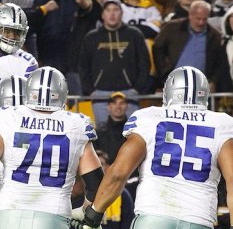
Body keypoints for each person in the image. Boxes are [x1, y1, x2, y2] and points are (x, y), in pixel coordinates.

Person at [79, 66, 233, 229]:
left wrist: (94, 214)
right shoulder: (222, 124)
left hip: (153, 218)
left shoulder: (149, 117)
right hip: (197, 220)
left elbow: (118, 173)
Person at [0, 66, 104, 229]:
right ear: (62, 94)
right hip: (53, 217)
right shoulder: (76, 124)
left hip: (9, 216)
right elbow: (96, 184)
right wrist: (83, 210)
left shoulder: (9, 117)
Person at [79, 0, 151, 129]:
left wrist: (137, 89)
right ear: (103, 14)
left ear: (122, 13)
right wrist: (90, 90)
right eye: (108, 10)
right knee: (102, 133)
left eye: (116, 10)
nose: (112, 14)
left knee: (131, 133)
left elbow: (144, 63)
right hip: (100, 94)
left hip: (129, 93)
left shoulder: (134, 35)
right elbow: (83, 66)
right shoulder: (91, 37)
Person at [153, 0, 233, 92]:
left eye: (205, 19)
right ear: (190, 15)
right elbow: (157, 48)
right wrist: (163, 74)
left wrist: (213, 82)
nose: (201, 23)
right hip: (173, 85)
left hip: (200, 88)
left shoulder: (215, 36)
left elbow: (218, 64)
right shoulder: (171, 28)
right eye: (198, 18)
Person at [95, 150, 134, 229]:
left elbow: (128, 222)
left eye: (101, 164)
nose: (98, 167)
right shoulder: (81, 193)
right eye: (95, 164)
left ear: (108, 167)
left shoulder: (122, 194)